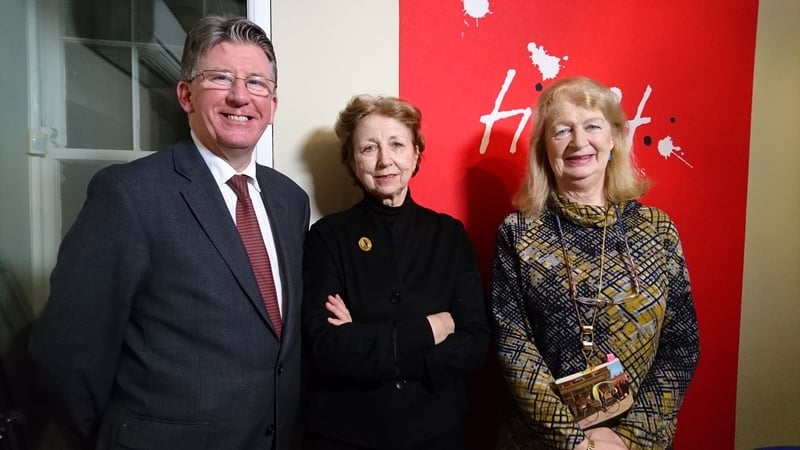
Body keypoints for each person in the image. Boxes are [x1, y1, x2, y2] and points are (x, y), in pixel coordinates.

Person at [28, 15, 309, 450]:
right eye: (220, 77)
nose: (240, 96)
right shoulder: (128, 194)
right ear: (186, 95)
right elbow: (67, 350)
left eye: (256, 83)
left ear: (272, 105)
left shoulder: (290, 200)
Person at [489, 76, 700, 450]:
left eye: (592, 126)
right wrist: (574, 442)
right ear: (544, 148)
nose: (578, 141)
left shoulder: (657, 229)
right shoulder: (517, 232)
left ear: (614, 137)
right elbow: (513, 347)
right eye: (562, 131)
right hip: (541, 442)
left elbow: (681, 344)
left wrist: (629, 438)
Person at [301, 95, 491, 449]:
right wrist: (431, 329)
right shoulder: (327, 236)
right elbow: (327, 346)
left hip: (435, 434)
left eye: (397, 144)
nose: (384, 160)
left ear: (416, 154)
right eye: (368, 148)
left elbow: (475, 340)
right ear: (352, 161)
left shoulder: (449, 235)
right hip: (345, 435)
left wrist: (366, 340)